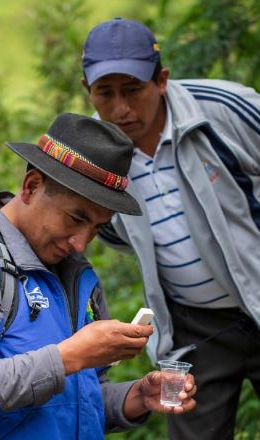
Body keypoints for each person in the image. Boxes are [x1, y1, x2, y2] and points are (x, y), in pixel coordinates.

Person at [0, 113, 196, 440]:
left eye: (97, 228)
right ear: (32, 186)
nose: (80, 242)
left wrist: (135, 398)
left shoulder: (75, 272)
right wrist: (69, 357)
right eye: (76, 218)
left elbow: (77, 398)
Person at [81, 17, 260, 440]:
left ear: (161, 80)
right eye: (105, 94)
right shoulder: (91, 154)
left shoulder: (227, 109)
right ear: (88, 91)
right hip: (194, 327)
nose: (120, 109)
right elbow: (104, 231)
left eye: (133, 90)